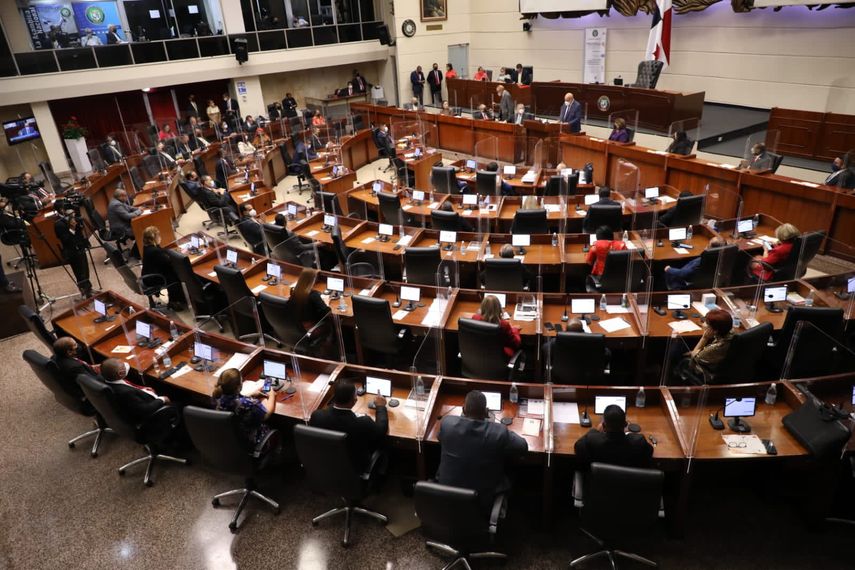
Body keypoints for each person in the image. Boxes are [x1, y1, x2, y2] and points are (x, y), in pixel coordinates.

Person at [436, 390, 528, 508]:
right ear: (486, 412)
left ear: (463, 411)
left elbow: (440, 438)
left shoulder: (448, 423)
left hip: (446, 498)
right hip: (481, 503)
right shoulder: (498, 432)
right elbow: (522, 447)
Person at [309, 377, 387, 472]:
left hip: (326, 464)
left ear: (334, 396)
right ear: (354, 400)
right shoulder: (363, 422)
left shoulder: (317, 415)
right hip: (356, 468)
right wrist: (381, 406)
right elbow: (381, 431)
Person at [212, 368, 276, 447]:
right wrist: (272, 393)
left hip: (229, 439)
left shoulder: (216, 396)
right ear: (239, 386)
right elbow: (266, 414)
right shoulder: (247, 404)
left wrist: (250, 394)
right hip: (251, 442)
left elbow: (233, 401)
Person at [574, 404, 653, 468]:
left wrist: (596, 431)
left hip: (600, 485)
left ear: (604, 426)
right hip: (629, 485)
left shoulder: (592, 440)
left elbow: (577, 446)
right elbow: (649, 452)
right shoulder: (639, 441)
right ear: (626, 425)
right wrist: (630, 435)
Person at [100, 358, 169, 424]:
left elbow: (130, 386)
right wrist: (162, 399)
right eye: (124, 366)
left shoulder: (109, 380)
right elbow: (145, 410)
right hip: (150, 413)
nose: (126, 365)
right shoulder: (126, 392)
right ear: (120, 373)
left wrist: (143, 389)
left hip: (140, 398)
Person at [681, 309, 735, 381]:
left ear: (715, 330)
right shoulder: (731, 333)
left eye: (706, 323)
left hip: (706, 371)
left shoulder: (716, 348)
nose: (703, 324)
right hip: (721, 364)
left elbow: (694, 357)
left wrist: (704, 338)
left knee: (678, 352)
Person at [140, 226, 185, 310]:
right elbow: (168, 262)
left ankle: (178, 298)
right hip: (153, 279)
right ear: (153, 238)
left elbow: (162, 253)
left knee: (171, 272)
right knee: (175, 275)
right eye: (158, 236)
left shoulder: (148, 247)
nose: (160, 237)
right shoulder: (154, 251)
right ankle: (174, 301)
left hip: (148, 276)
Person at [54, 205, 92, 298]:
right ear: (62, 209)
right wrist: (72, 228)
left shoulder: (74, 218)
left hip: (80, 247)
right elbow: (65, 239)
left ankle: (88, 288)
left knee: (85, 269)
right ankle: (84, 289)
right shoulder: (58, 224)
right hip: (72, 252)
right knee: (79, 271)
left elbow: (80, 232)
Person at [107, 187, 142, 253]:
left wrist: (138, 208)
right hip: (121, 229)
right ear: (121, 196)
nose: (127, 198)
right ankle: (136, 253)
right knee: (141, 231)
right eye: (126, 196)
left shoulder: (117, 201)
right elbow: (127, 216)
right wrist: (139, 211)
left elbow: (129, 208)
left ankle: (136, 251)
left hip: (122, 224)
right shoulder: (116, 205)